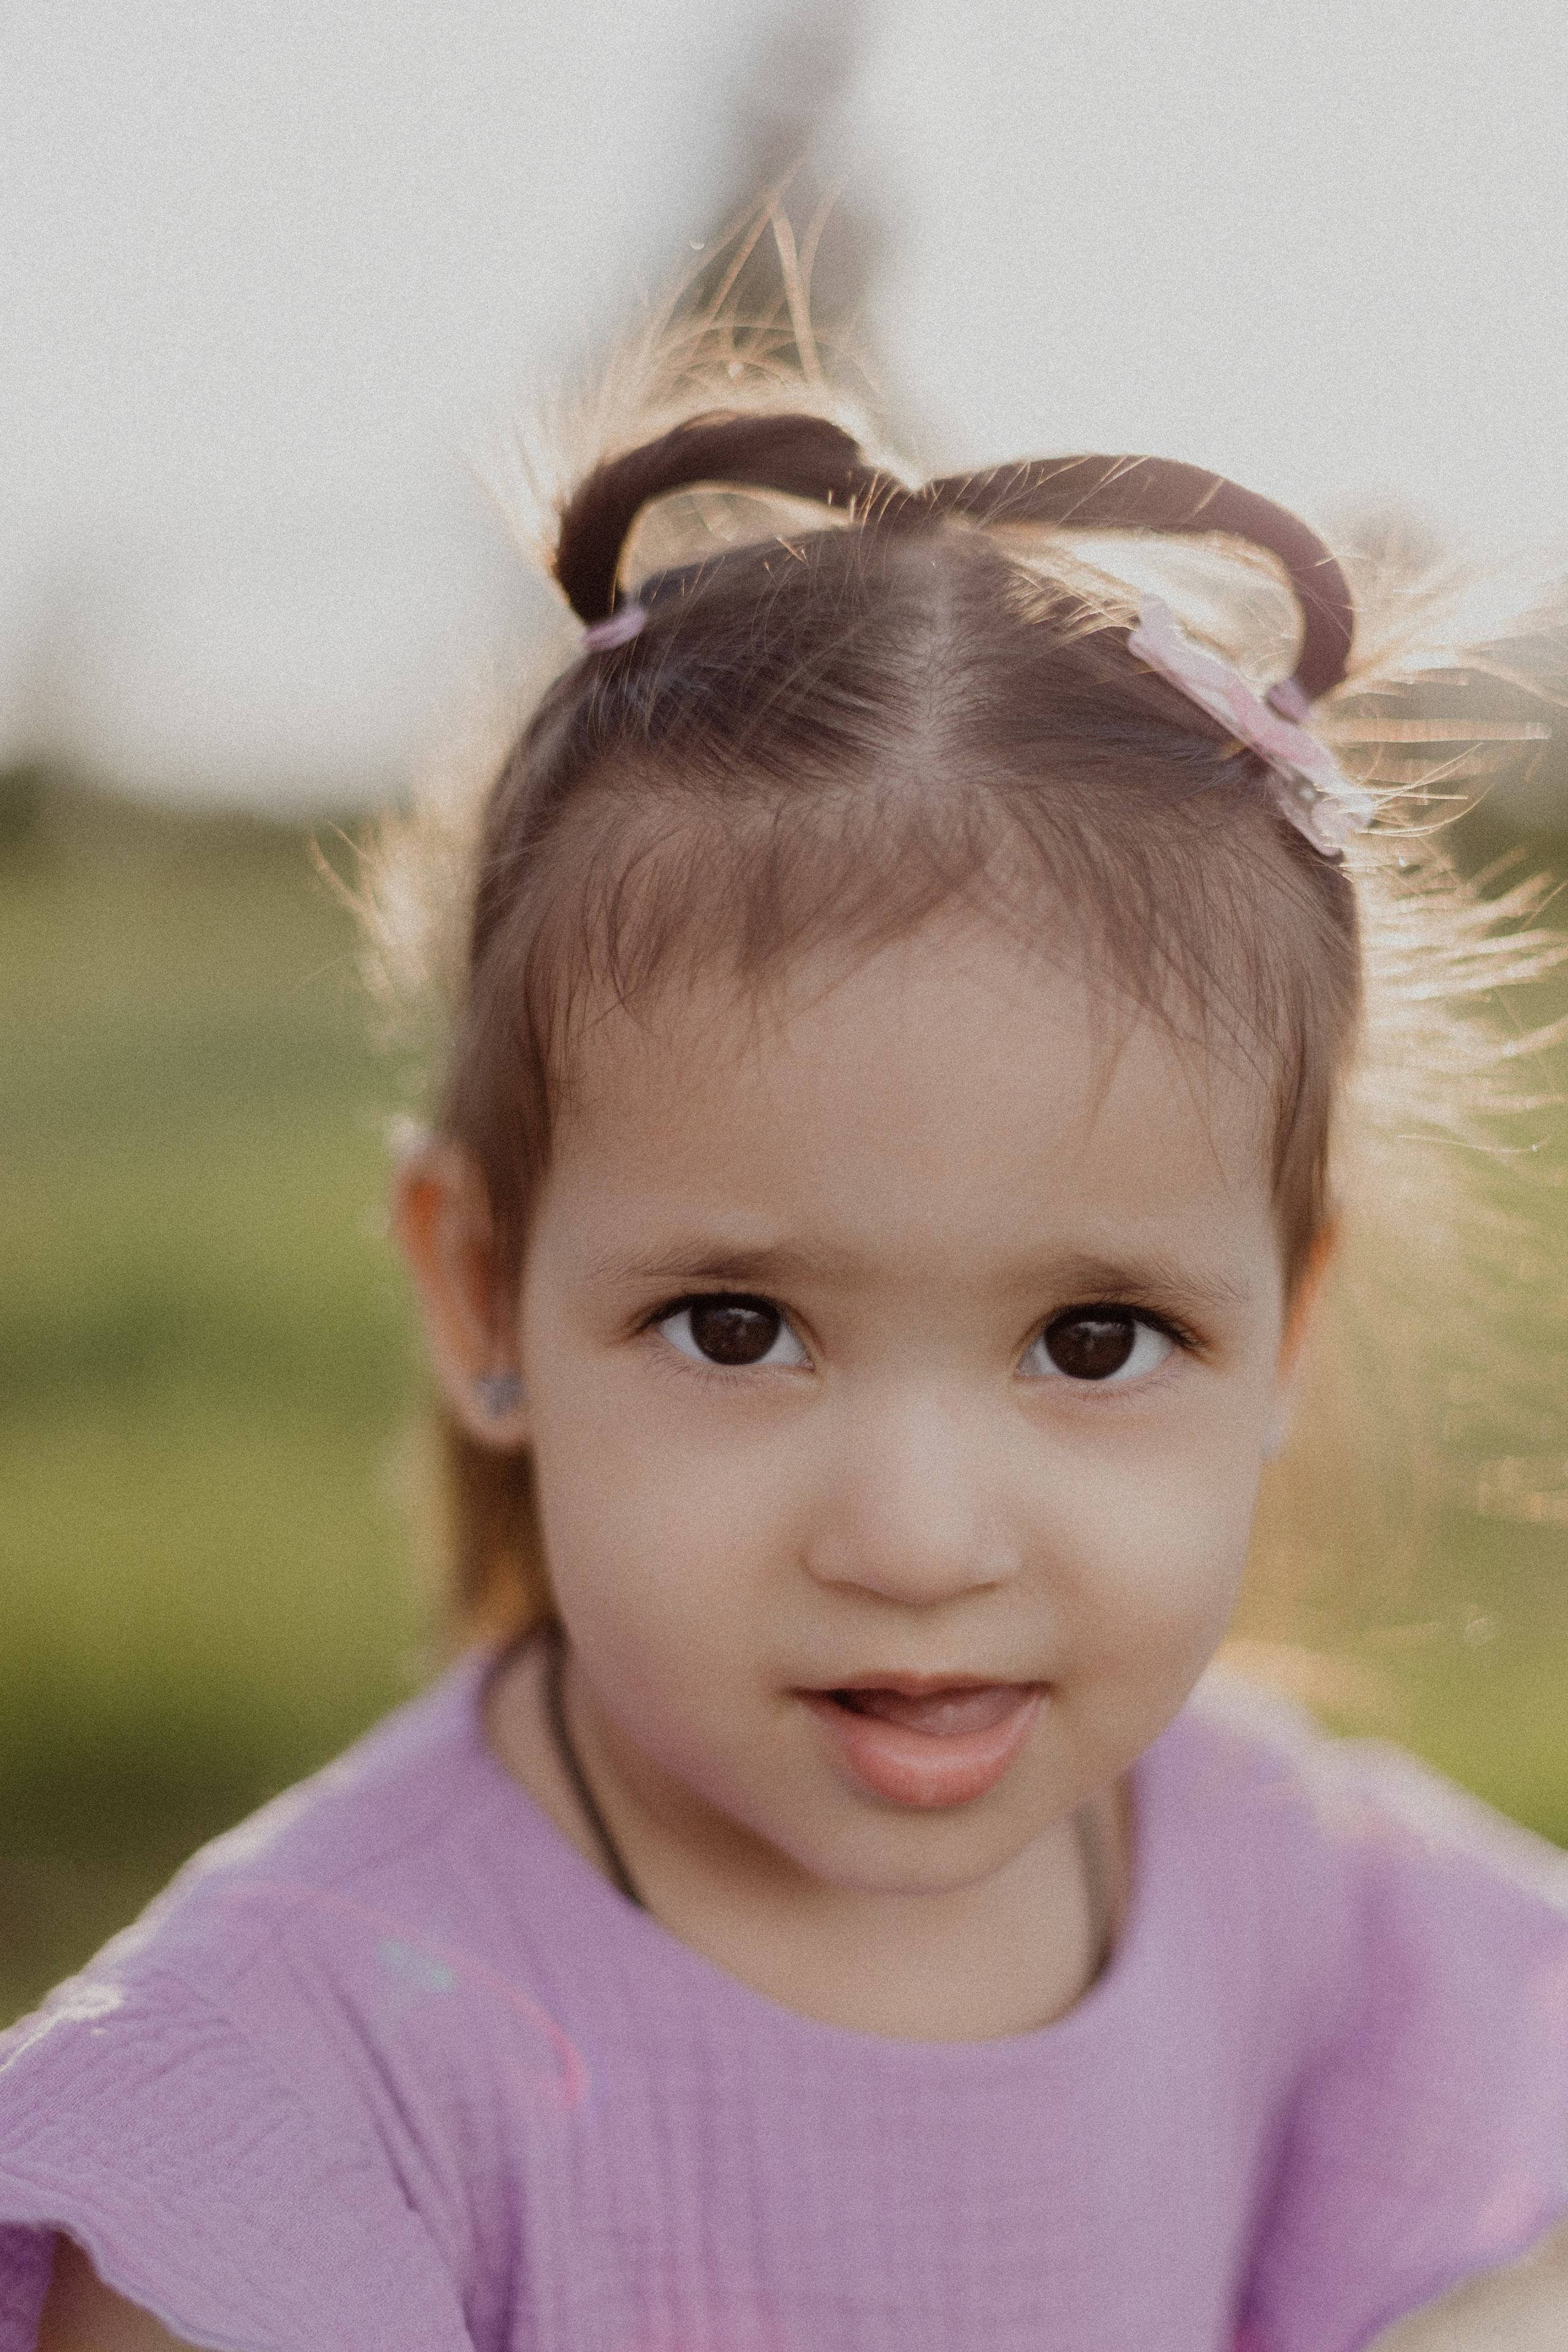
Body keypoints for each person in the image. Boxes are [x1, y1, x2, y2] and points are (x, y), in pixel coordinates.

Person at [4, 337, 1568, 2352]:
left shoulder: (1294, 1892)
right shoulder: (291, 2112)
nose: (917, 1539)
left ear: (1287, 1334)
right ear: (479, 1288)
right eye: (736, 1327)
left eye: (1097, 1339)